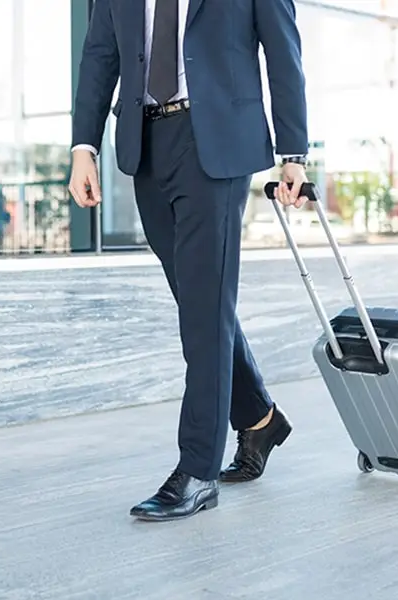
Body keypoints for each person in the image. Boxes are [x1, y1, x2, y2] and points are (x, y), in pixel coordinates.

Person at [69, 0, 310, 522]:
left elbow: (282, 49)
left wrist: (295, 152)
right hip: (147, 143)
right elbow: (99, 54)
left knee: (204, 309)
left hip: (217, 142)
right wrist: (82, 146)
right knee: (200, 300)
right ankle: (260, 419)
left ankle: (197, 469)